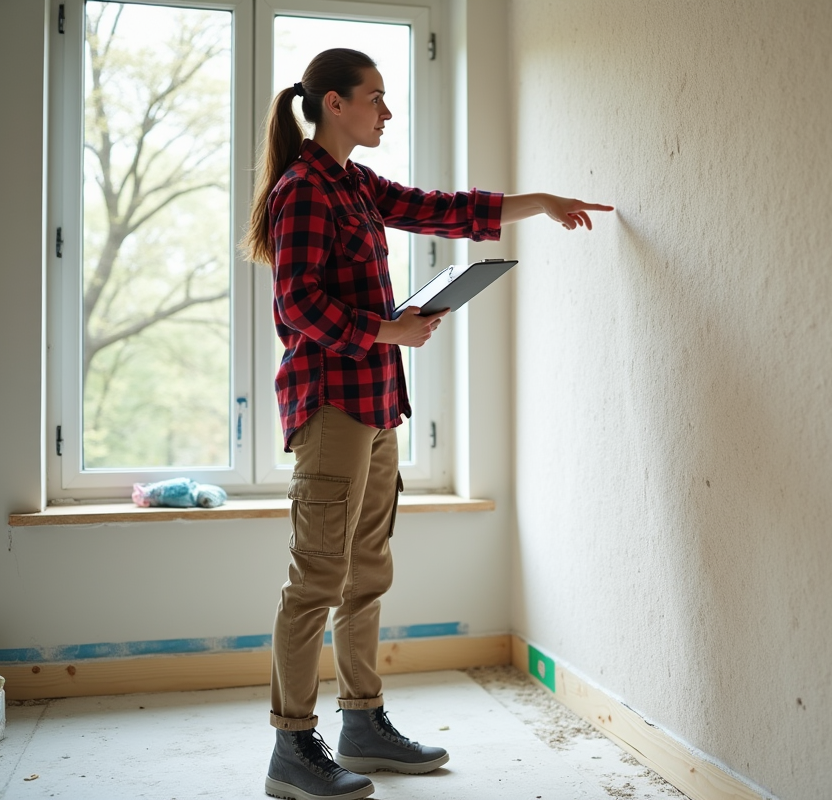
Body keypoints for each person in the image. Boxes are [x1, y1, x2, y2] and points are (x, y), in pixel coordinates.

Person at [241, 48, 612, 800]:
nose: (387, 111)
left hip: (377, 405)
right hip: (332, 406)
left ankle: (363, 722)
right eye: (375, 98)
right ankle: (291, 746)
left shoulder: (352, 184)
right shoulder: (302, 190)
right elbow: (297, 308)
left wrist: (535, 201)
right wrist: (388, 332)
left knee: (367, 573)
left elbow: (435, 207)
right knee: (317, 578)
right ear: (334, 104)